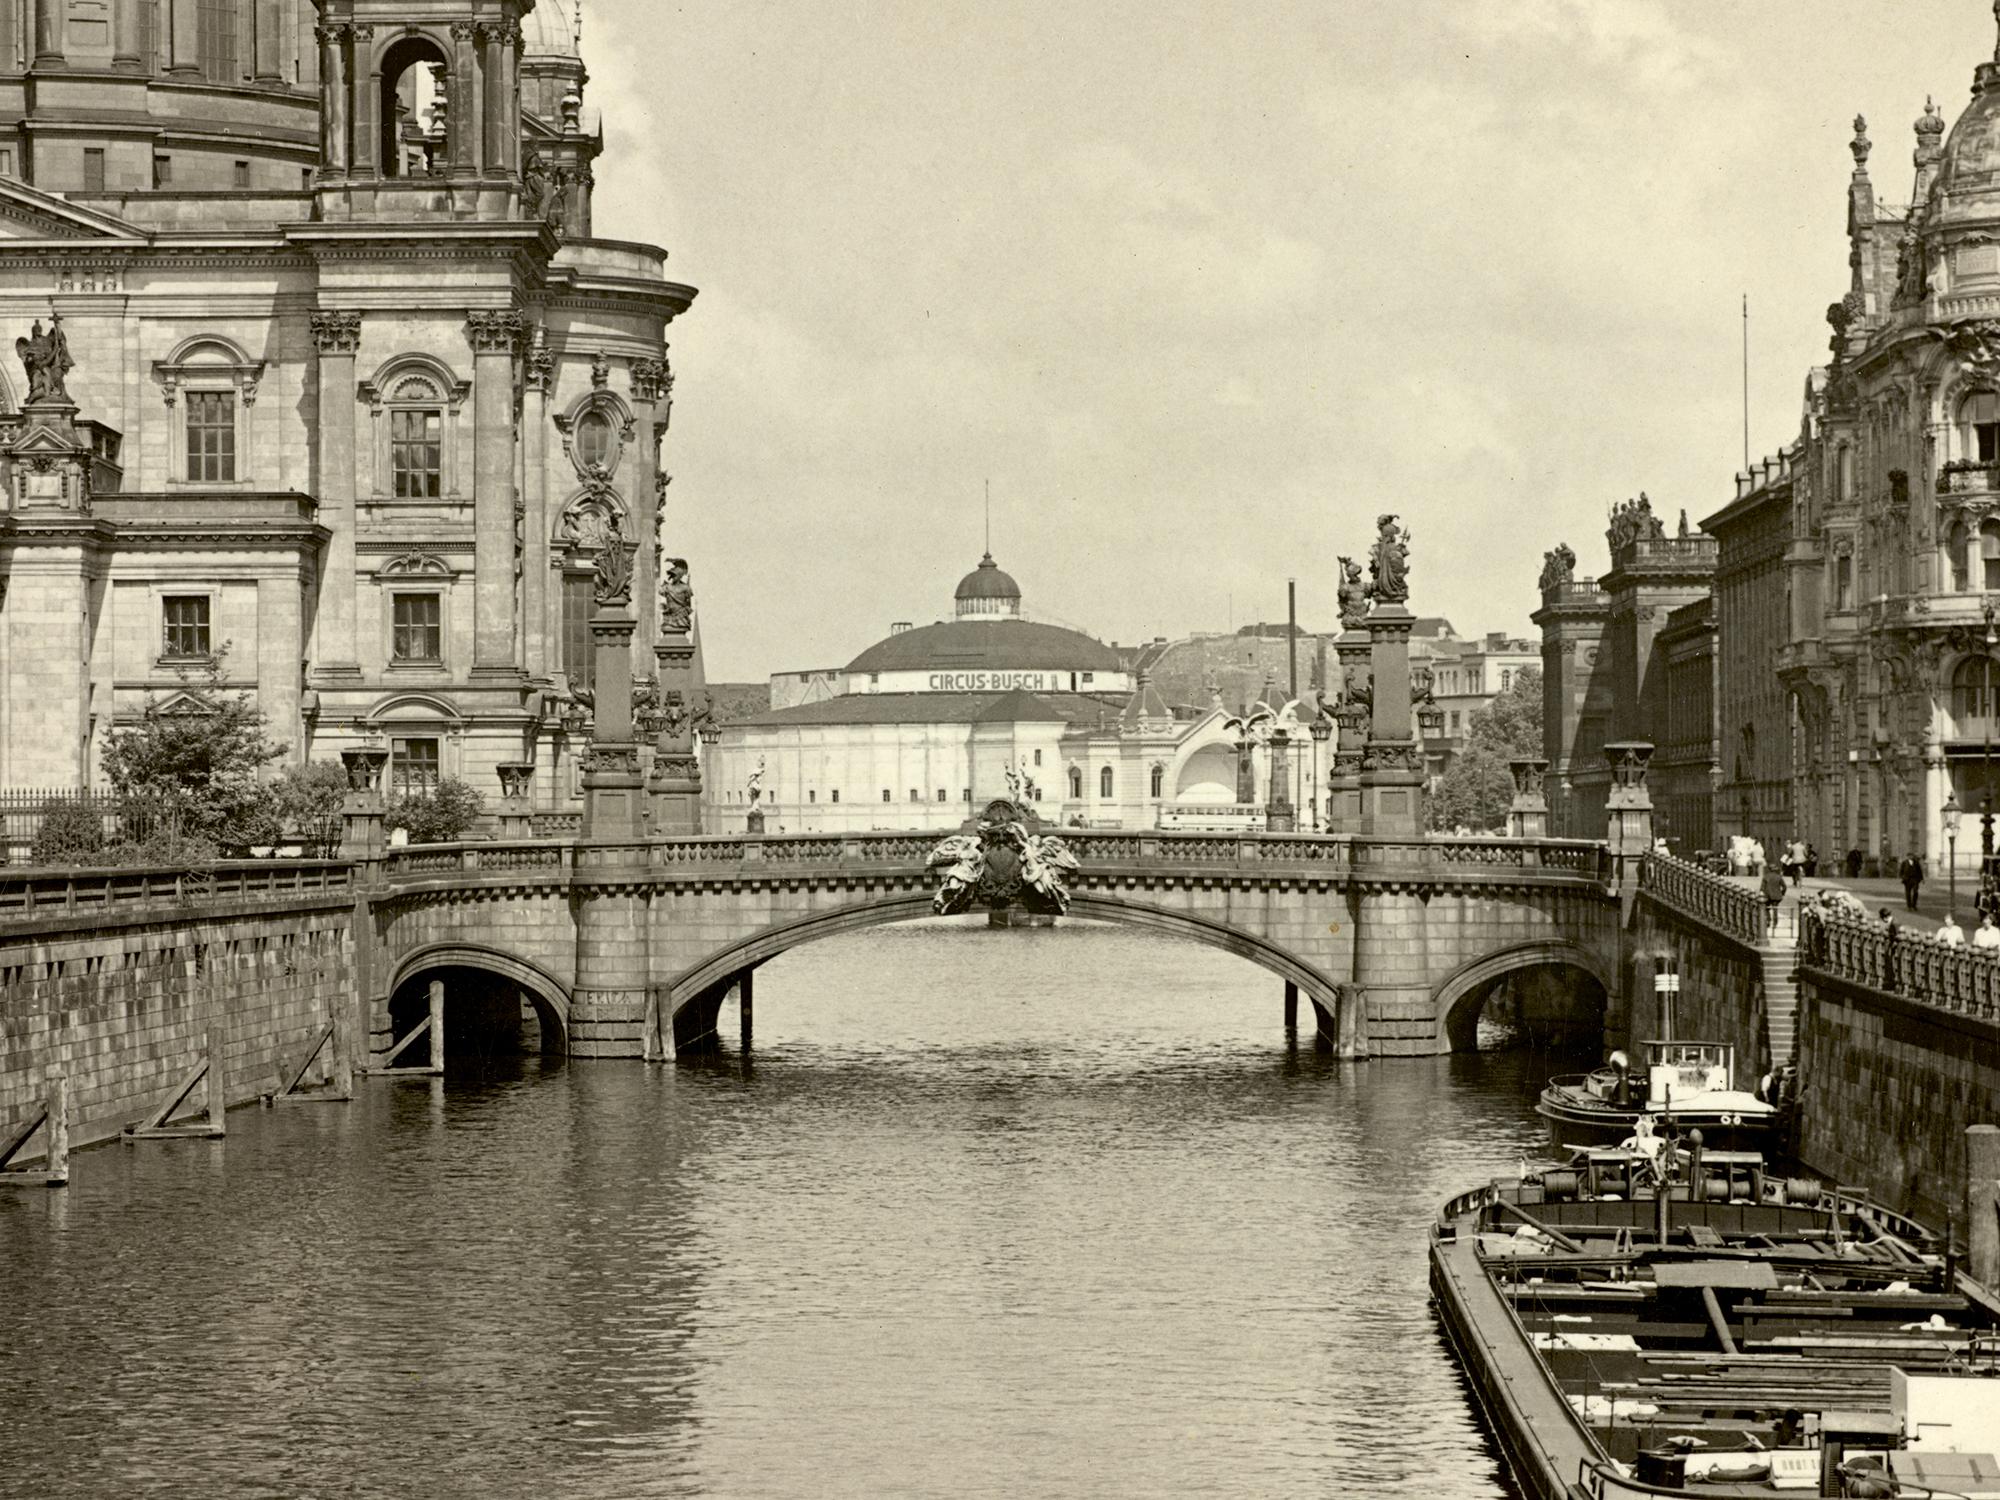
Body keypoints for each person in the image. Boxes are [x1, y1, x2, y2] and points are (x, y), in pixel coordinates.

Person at [1760, 863, 1787, 933]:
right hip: (1777, 896)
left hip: (1768, 895)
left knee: (1767, 908)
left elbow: (1762, 888)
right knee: (1775, 909)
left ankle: (1768, 920)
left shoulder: (1766, 876)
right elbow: (1784, 887)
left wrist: (1762, 894)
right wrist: (1782, 893)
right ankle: (1775, 923)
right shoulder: (1779, 877)